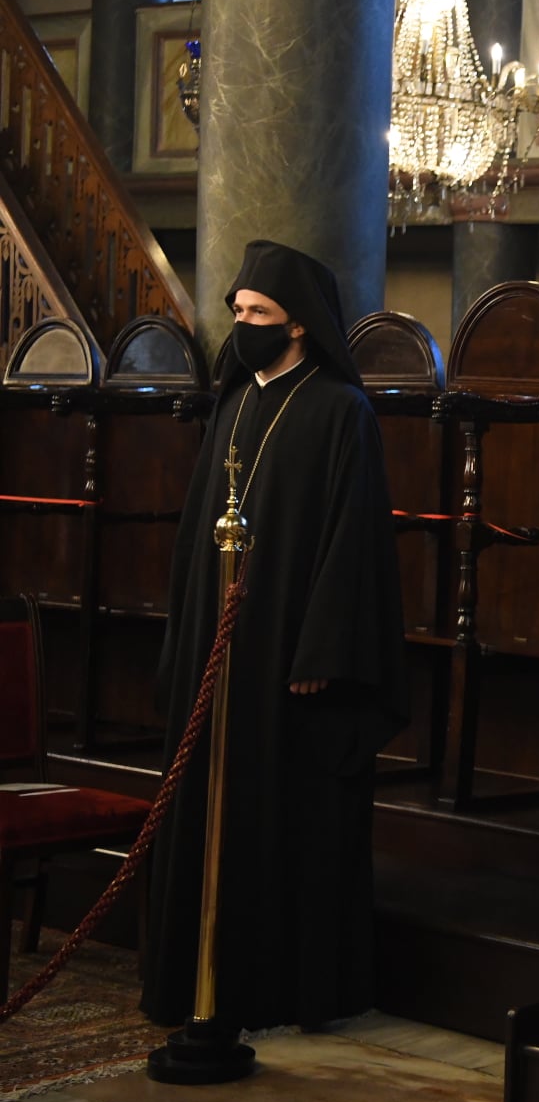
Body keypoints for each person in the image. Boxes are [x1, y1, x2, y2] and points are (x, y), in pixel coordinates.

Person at [143, 240, 405, 1033]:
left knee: (280, 814)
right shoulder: (231, 404)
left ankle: (277, 988)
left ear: (298, 324)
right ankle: (197, 982)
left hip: (288, 654)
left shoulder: (340, 410)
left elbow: (354, 544)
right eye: (238, 311)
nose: (242, 324)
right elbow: (194, 538)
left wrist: (323, 650)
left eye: (258, 312)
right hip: (218, 649)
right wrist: (186, 638)